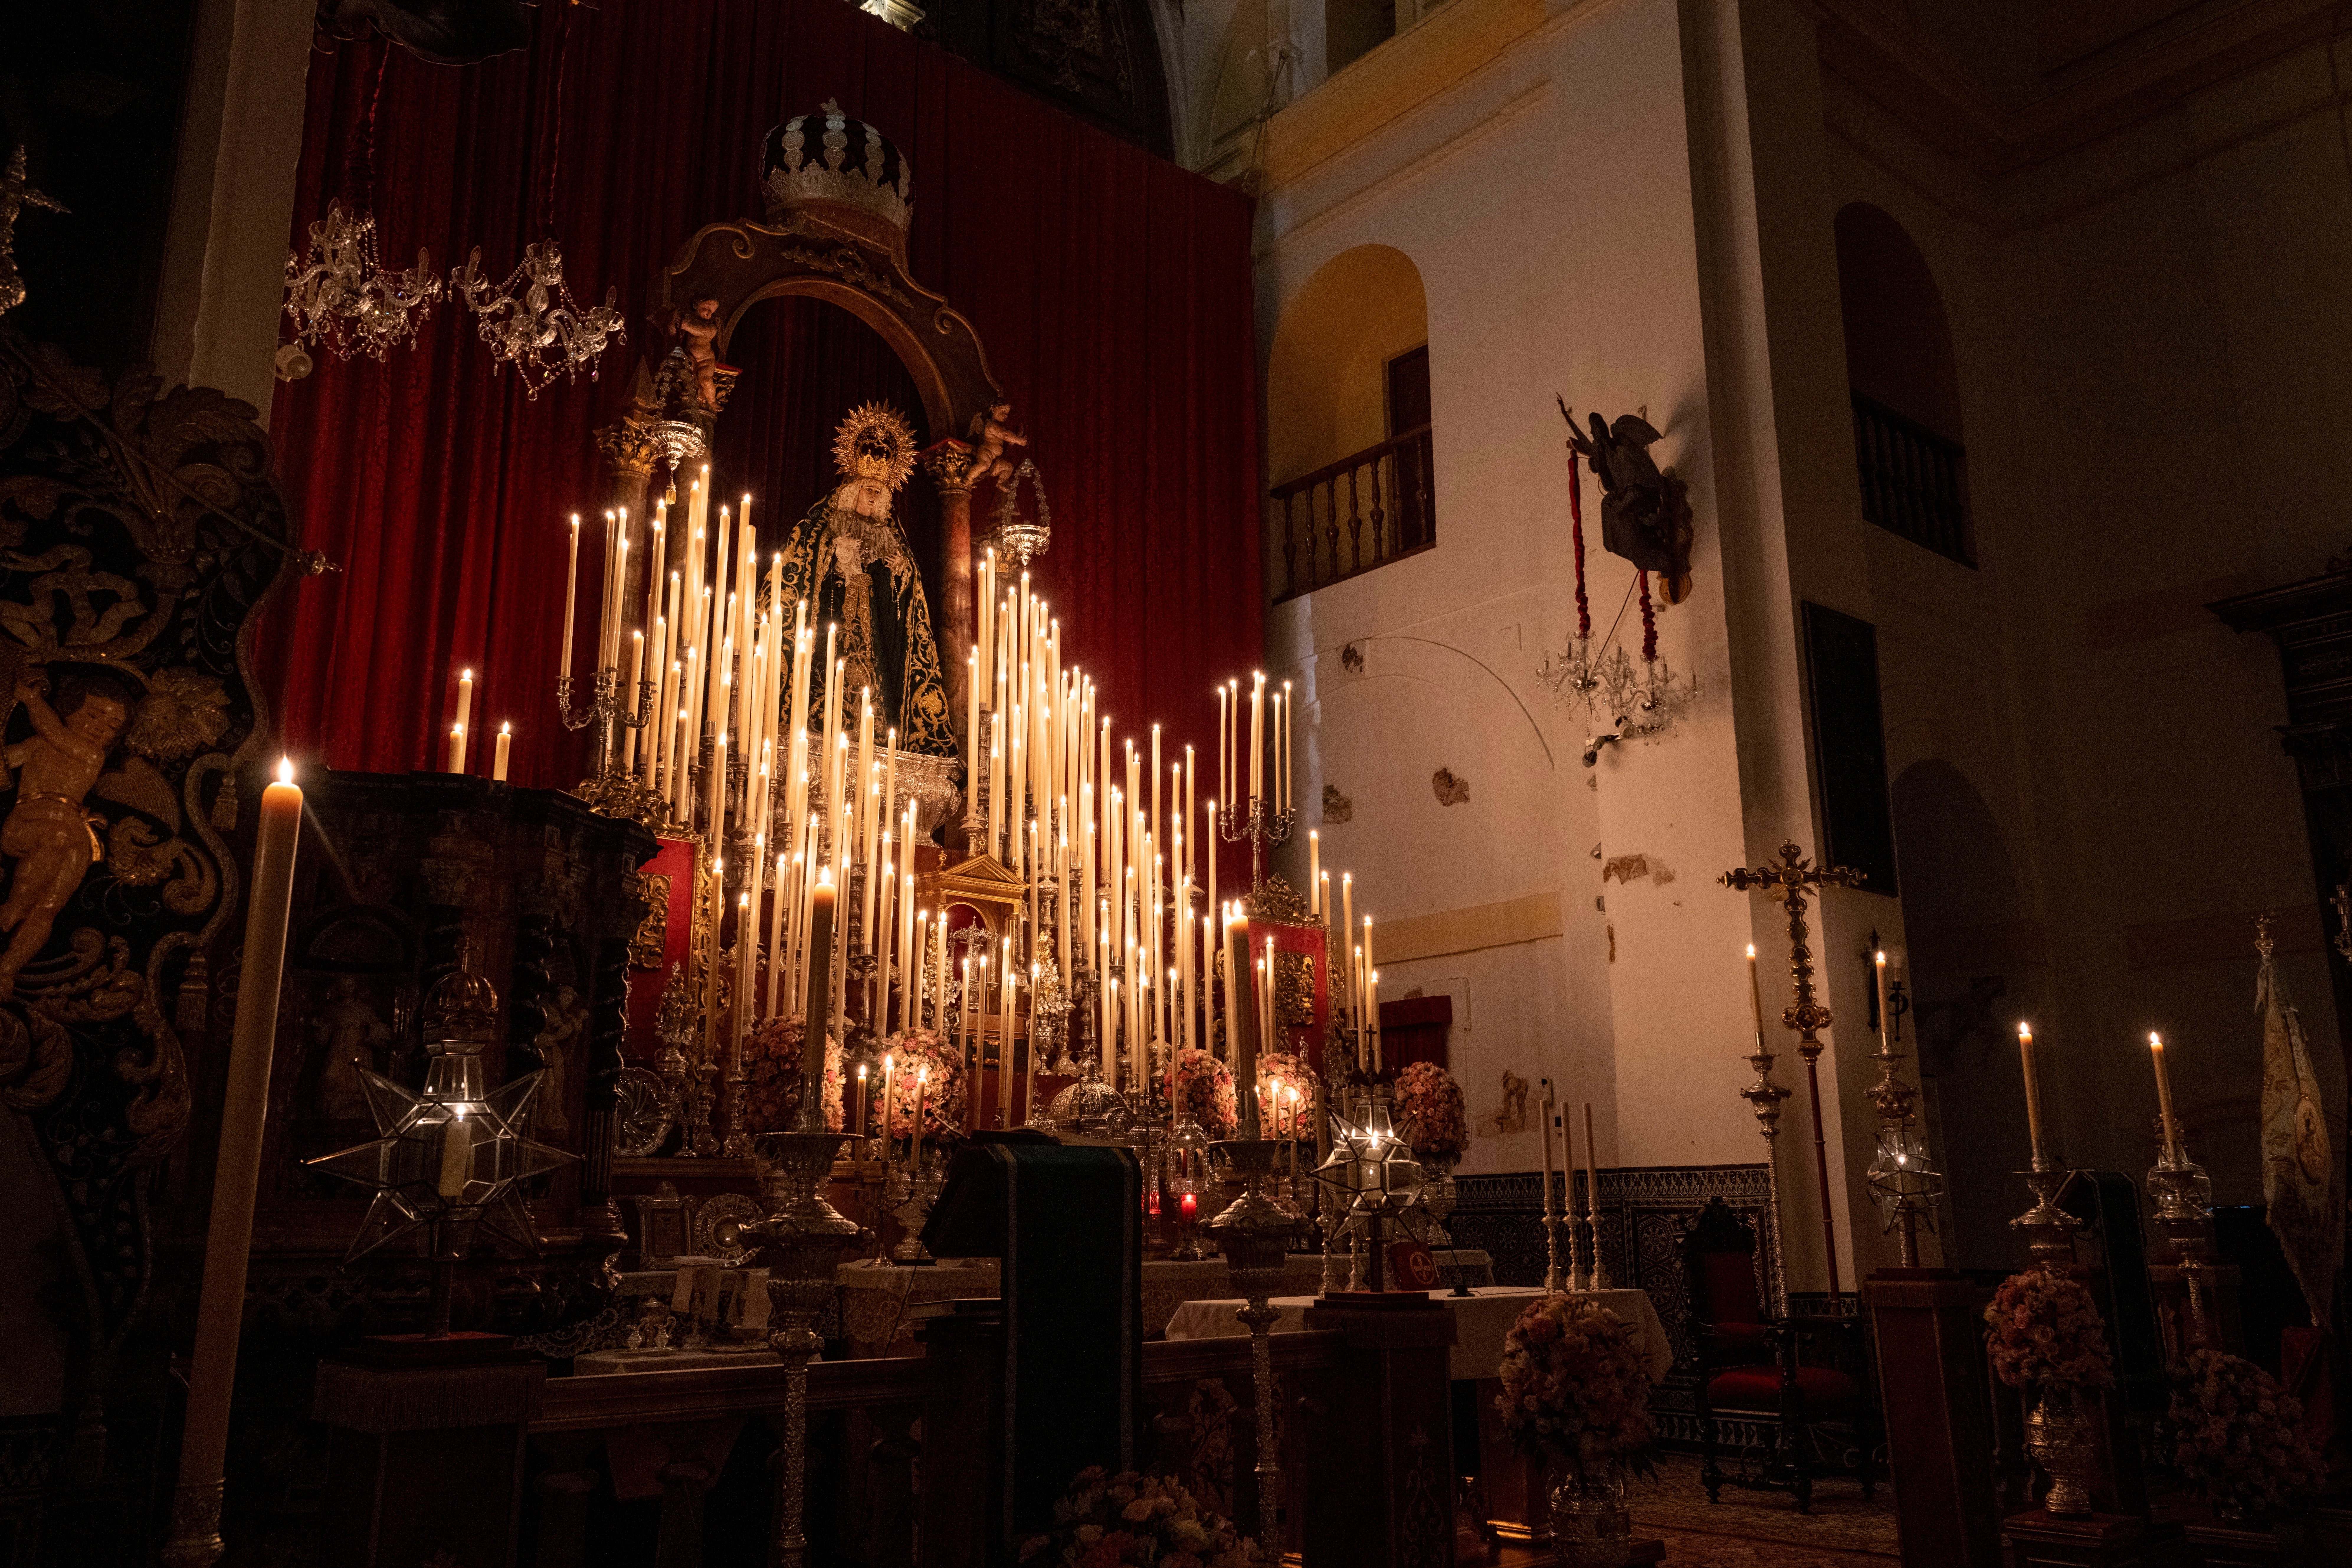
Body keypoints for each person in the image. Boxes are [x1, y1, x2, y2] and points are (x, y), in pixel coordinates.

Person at [774, 404, 957, 756]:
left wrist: (900, 573)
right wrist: (834, 561)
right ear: (852, 490)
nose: (873, 495)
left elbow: (907, 606)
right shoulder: (823, 530)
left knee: (875, 697)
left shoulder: (891, 538)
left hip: (872, 637)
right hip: (831, 626)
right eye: (867, 487)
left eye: (879, 491)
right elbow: (800, 571)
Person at [0, 673, 129, 999]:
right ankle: (15, 904)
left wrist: (31, 700)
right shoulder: (36, 745)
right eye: (94, 715)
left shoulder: (92, 754)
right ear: (68, 709)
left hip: (73, 834)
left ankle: (7, 970)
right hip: (31, 823)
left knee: (50, 907)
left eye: (113, 725)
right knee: (56, 836)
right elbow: (8, 760)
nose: (102, 728)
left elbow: (53, 731)